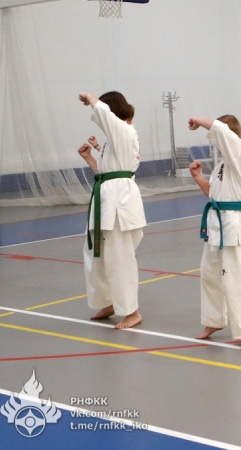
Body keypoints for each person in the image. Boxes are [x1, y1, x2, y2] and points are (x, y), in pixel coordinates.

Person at [188, 115, 241, 350]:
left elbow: (220, 130)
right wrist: (198, 177)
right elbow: (214, 195)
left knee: (235, 281)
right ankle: (214, 321)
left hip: (234, 224)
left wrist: (198, 120)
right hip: (217, 224)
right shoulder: (224, 163)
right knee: (209, 274)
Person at [77, 91, 146, 330]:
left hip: (119, 203)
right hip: (107, 199)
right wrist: (90, 158)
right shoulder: (114, 139)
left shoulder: (124, 132)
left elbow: (104, 113)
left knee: (119, 258)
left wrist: (90, 97)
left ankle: (131, 311)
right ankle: (109, 302)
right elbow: (105, 173)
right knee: (96, 255)